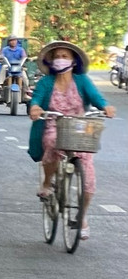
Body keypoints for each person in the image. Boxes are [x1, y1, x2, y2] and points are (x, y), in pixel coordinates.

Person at [27, 41, 116, 240]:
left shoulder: (82, 80)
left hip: (79, 127)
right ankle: (47, 183)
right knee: (51, 143)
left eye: (65, 56)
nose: (60, 59)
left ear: (74, 62)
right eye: (57, 56)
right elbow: (36, 100)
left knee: (89, 179)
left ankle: (82, 217)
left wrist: (105, 107)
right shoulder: (45, 82)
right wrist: (34, 108)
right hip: (53, 124)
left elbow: (96, 98)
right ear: (51, 61)